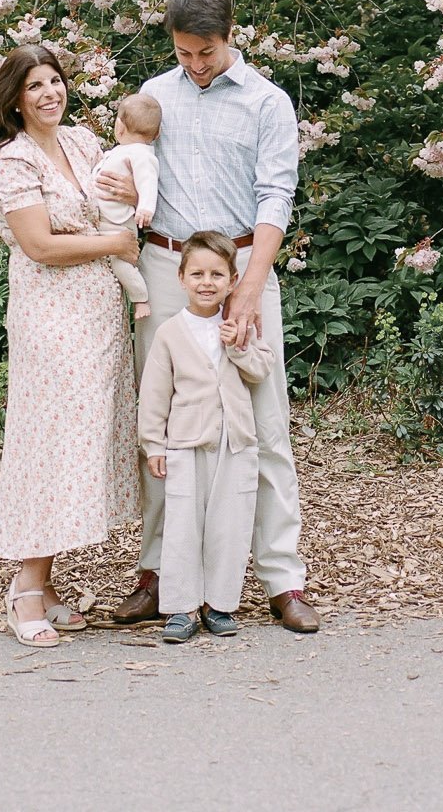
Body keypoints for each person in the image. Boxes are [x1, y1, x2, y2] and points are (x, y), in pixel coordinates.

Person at [100, 0, 320, 634]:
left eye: (207, 51)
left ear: (231, 33)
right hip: (166, 267)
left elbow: (276, 197)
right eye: (184, 52)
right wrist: (116, 180)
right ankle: (160, 574)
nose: (196, 63)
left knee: (264, 418)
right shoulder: (155, 95)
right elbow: (132, 168)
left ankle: (283, 579)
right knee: (164, 420)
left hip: (244, 267)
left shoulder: (267, 103)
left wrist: (250, 286)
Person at [0, 44, 140, 647]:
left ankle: (46, 587)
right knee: (52, 443)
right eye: (35, 86)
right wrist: (113, 245)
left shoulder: (82, 143)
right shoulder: (12, 160)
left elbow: (116, 204)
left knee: (81, 445)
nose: (50, 93)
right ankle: (25, 587)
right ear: (15, 100)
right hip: (52, 316)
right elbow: (41, 245)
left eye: (55, 81)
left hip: (99, 314)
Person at [137, 230, 274, 643]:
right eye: (197, 273)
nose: (206, 282)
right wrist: (153, 444)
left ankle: (220, 604)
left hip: (234, 441)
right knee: (182, 524)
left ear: (232, 281)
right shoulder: (170, 333)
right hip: (185, 443)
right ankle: (180, 607)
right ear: (181, 278)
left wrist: (239, 347)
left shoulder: (239, 327)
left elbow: (261, 369)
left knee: (227, 525)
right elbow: (155, 393)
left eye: (217, 274)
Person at [92, 92, 162, 320]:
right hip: (106, 220)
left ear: (118, 126)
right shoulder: (121, 151)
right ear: (157, 133)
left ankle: (140, 299)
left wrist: (145, 208)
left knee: (121, 264)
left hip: (118, 223)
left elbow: (148, 182)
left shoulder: (142, 155)